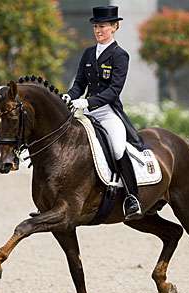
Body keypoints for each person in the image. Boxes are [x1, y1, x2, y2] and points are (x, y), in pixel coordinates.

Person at [62, 5, 143, 220]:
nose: (99, 30)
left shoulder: (120, 55)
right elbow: (79, 83)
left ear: (115, 27)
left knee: (117, 148)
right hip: (85, 110)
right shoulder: (88, 53)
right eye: (96, 26)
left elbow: (114, 90)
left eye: (103, 26)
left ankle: (132, 198)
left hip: (107, 112)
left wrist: (87, 102)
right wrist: (70, 96)